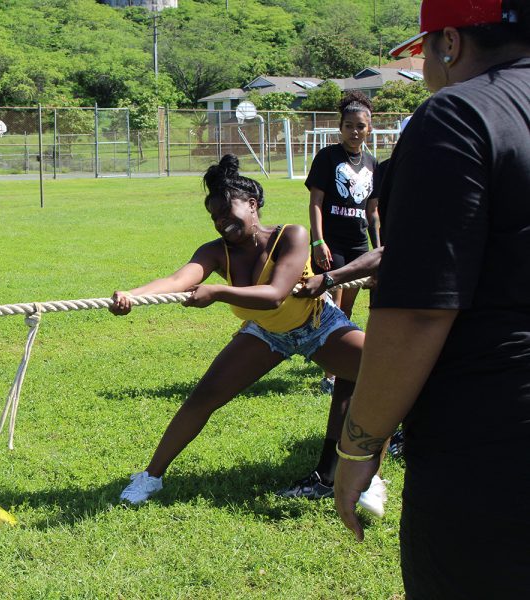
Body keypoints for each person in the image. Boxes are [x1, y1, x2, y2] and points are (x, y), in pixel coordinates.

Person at [332, 0, 530, 596]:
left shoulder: (457, 116)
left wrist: (359, 445)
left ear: (449, 43)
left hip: (490, 452)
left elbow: (419, 309)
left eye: (424, 57)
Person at [111, 155, 386, 516]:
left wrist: (218, 292)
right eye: (215, 217)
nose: (222, 222)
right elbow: (177, 281)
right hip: (266, 333)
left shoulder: (292, 235)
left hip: (318, 326)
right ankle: (151, 476)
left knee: (379, 373)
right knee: (203, 397)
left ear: (253, 205)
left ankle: (369, 476)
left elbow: (275, 294)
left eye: (228, 211)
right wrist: (133, 294)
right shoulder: (216, 252)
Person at [306, 92, 380, 394]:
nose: (354, 131)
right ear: (340, 127)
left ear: (369, 129)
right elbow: (316, 202)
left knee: (345, 309)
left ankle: (339, 360)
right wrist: (318, 240)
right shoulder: (327, 157)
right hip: (331, 243)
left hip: (358, 246)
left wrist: (378, 251)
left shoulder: (373, 163)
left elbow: (373, 212)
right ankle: (332, 376)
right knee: (334, 303)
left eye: (360, 126)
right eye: (349, 125)